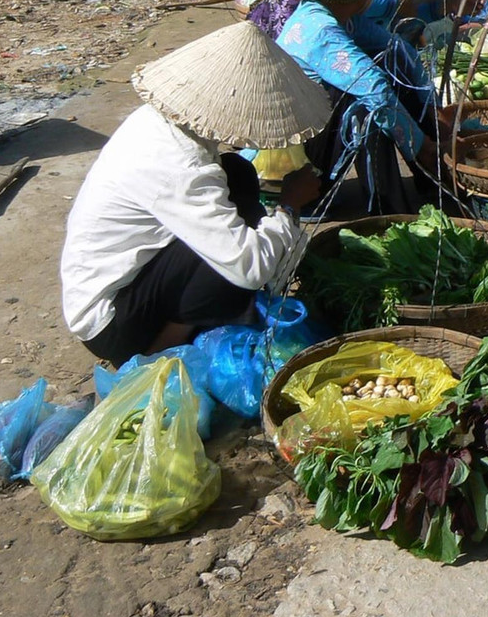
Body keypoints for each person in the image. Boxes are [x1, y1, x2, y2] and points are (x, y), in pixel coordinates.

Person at [60, 23, 329, 365]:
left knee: (237, 172)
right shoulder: (180, 163)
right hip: (111, 321)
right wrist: (289, 206)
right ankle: (159, 352)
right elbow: (250, 268)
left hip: (129, 280)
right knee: (230, 265)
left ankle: (196, 315)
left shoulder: (161, 120)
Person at [277, 0, 442, 216]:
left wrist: (432, 111)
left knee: (390, 60)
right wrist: (420, 145)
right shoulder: (320, 28)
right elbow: (373, 86)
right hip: (291, 165)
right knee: (367, 108)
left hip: (314, 136)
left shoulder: (343, 18)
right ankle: (387, 210)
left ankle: (432, 177)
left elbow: (397, 49)